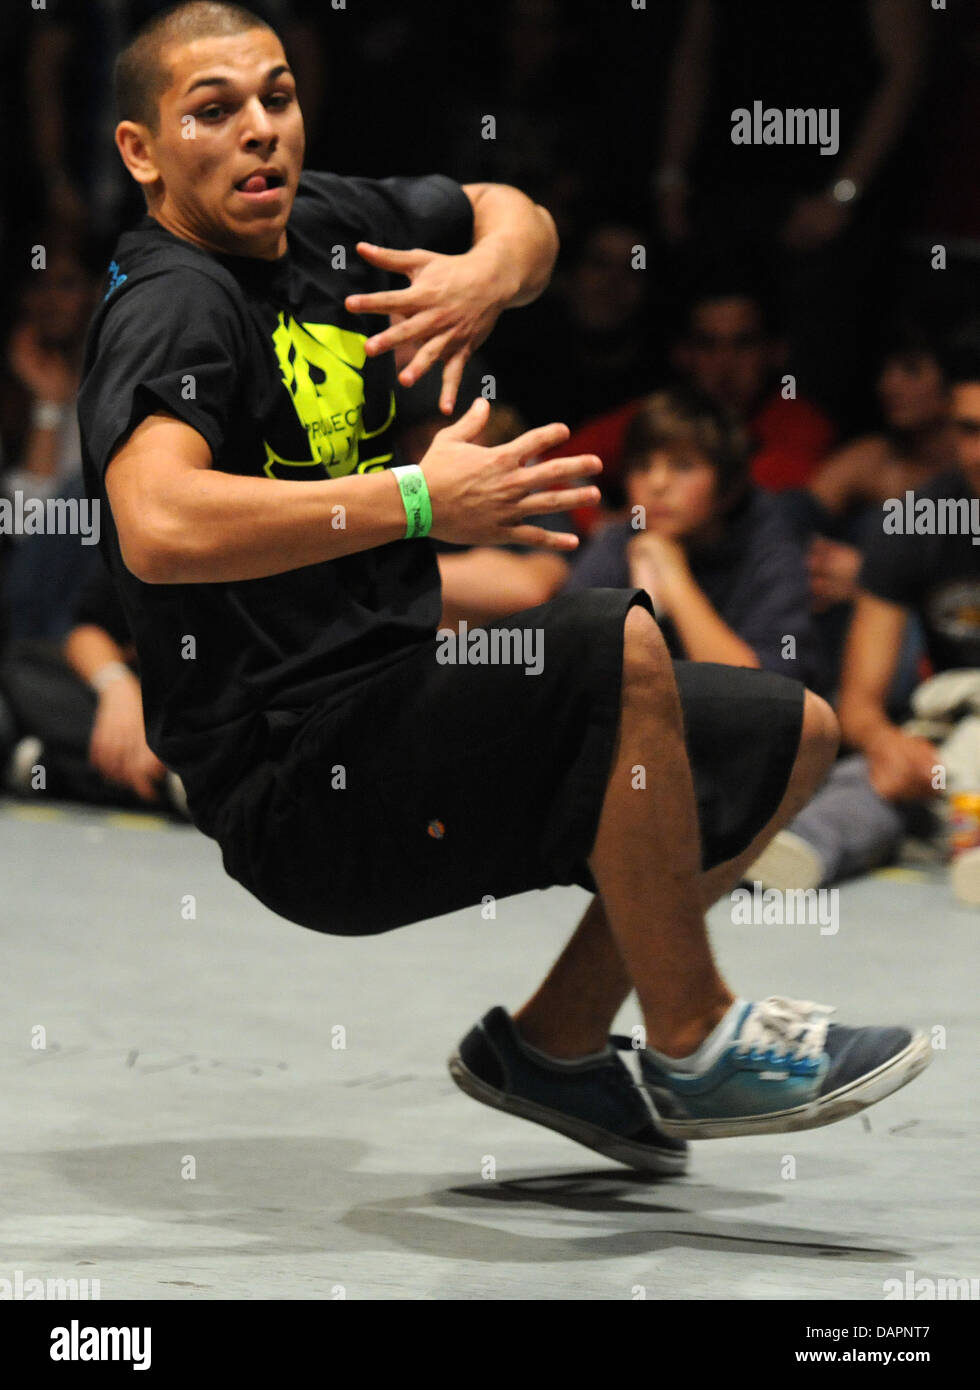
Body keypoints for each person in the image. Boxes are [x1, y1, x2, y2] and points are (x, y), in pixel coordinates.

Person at [78, 2, 930, 1175]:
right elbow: (158, 521)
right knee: (604, 639)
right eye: (212, 113)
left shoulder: (327, 223)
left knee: (786, 733)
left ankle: (554, 1044)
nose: (260, 132)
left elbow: (513, 213)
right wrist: (416, 501)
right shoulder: (175, 298)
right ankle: (693, 1037)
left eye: (275, 97)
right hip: (300, 780)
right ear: (142, 151)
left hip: (408, 713)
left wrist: (485, 277)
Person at [749, 330, 980, 891]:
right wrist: (891, 747)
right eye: (971, 430)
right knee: (872, 778)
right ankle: (807, 843)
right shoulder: (918, 518)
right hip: (952, 738)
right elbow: (858, 705)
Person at [563, 388, 820, 687]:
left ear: (729, 485)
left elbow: (769, 696)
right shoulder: (621, 541)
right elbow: (567, 662)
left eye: (683, 466)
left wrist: (674, 578)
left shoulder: (769, 547)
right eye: (643, 467)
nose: (657, 483)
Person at [558, 277, 835, 539]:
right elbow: (552, 464)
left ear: (775, 351)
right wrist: (599, 522)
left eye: (743, 344)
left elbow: (751, 504)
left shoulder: (802, 424)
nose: (725, 364)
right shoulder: (659, 416)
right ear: (683, 354)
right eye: (708, 344)